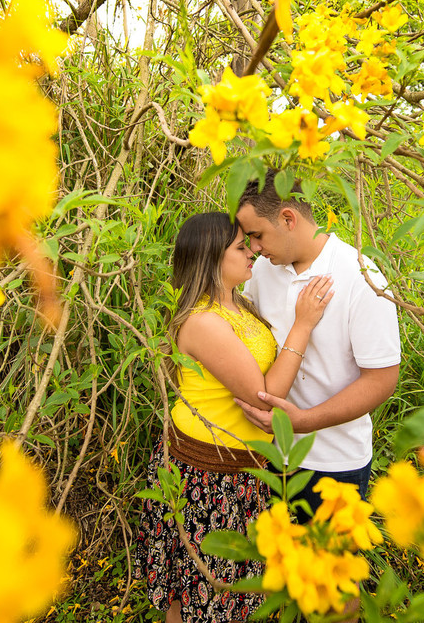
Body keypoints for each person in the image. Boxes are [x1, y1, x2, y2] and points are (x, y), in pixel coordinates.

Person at [137, 211, 333, 623]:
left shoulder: (239, 305)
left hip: (241, 471)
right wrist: (304, 324)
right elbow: (267, 397)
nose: (253, 254)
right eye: (241, 248)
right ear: (211, 257)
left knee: (218, 594)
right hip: (207, 475)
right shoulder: (204, 321)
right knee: (197, 592)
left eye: (251, 244)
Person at [235, 171, 401, 520]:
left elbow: (381, 379)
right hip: (266, 456)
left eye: (257, 235)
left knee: (333, 568)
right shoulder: (261, 272)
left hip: (334, 463)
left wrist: (306, 421)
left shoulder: (360, 277)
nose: (254, 248)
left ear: (288, 219)